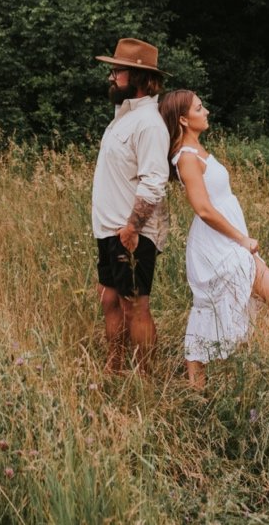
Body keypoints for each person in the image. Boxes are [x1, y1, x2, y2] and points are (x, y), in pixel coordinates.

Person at [159, 89, 269, 389]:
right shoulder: (186, 159)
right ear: (183, 119)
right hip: (218, 245)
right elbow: (204, 209)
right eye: (199, 108)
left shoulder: (198, 152)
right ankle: (253, 368)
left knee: (218, 313)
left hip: (227, 240)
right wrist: (242, 240)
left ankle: (212, 383)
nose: (206, 112)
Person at [91, 37, 171, 374]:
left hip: (132, 232)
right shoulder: (121, 117)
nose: (112, 77)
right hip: (109, 229)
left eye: (117, 71)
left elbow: (155, 181)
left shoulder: (149, 123)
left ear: (137, 77)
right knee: (110, 300)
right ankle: (115, 368)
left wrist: (133, 227)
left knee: (135, 306)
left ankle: (146, 378)